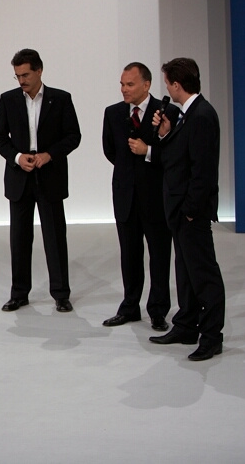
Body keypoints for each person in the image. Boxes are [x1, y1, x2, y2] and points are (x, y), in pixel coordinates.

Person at [148, 57, 226, 361]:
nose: (166, 89)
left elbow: (203, 170)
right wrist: (165, 134)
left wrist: (192, 210)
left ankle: (211, 336)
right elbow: (177, 158)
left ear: (177, 85)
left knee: (204, 275)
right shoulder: (186, 115)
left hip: (191, 212)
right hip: (180, 210)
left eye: (167, 83)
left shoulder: (202, 116)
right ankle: (186, 326)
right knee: (186, 273)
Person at [0, 49, 81, 312]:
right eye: (17, 75)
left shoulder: (61, 99)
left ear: (39, 71)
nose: (21, 80)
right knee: (19, 239)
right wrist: (18, 157)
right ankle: (19, 294)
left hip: (50, 176)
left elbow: (73, 136)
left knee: (55, 238)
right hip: (20, 177)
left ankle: (61, 294)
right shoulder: (7, 100)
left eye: (25, 74)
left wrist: (49, 155)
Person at [101, 62, 171, 331]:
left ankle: (158, 310)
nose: (124, 89)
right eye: (122, 84)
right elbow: (110, 151)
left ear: (146, 85)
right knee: (129, 255)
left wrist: (148, 151)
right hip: (125, 196)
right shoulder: (113, 113)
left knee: (159, 255)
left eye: (130, 84)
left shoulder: (166, 112)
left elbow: (174, 153)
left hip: (156, 198)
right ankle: (130, 307)